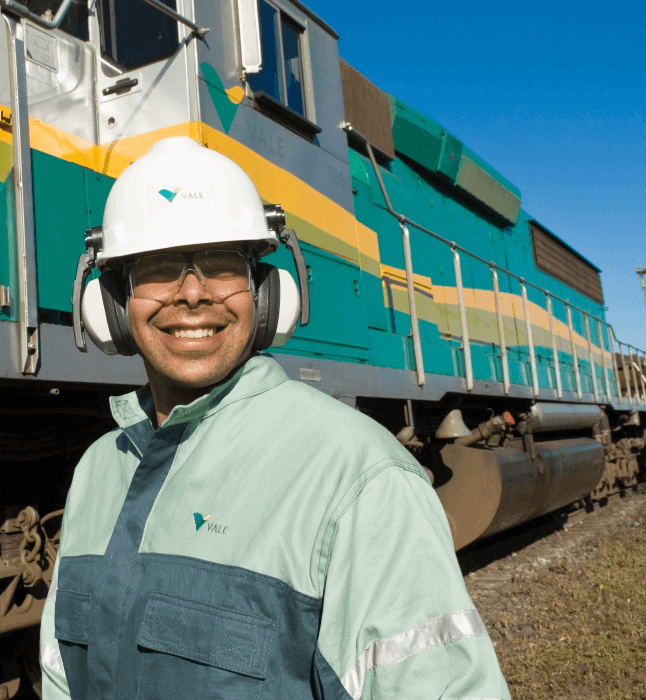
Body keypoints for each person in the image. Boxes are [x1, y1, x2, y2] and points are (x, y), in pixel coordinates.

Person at [40, 137, 510, 699]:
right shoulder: (98, 469)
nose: (192, 295)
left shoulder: (358, 475)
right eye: (159, 269)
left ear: (265, 296)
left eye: (220, 265)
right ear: (113, 305)